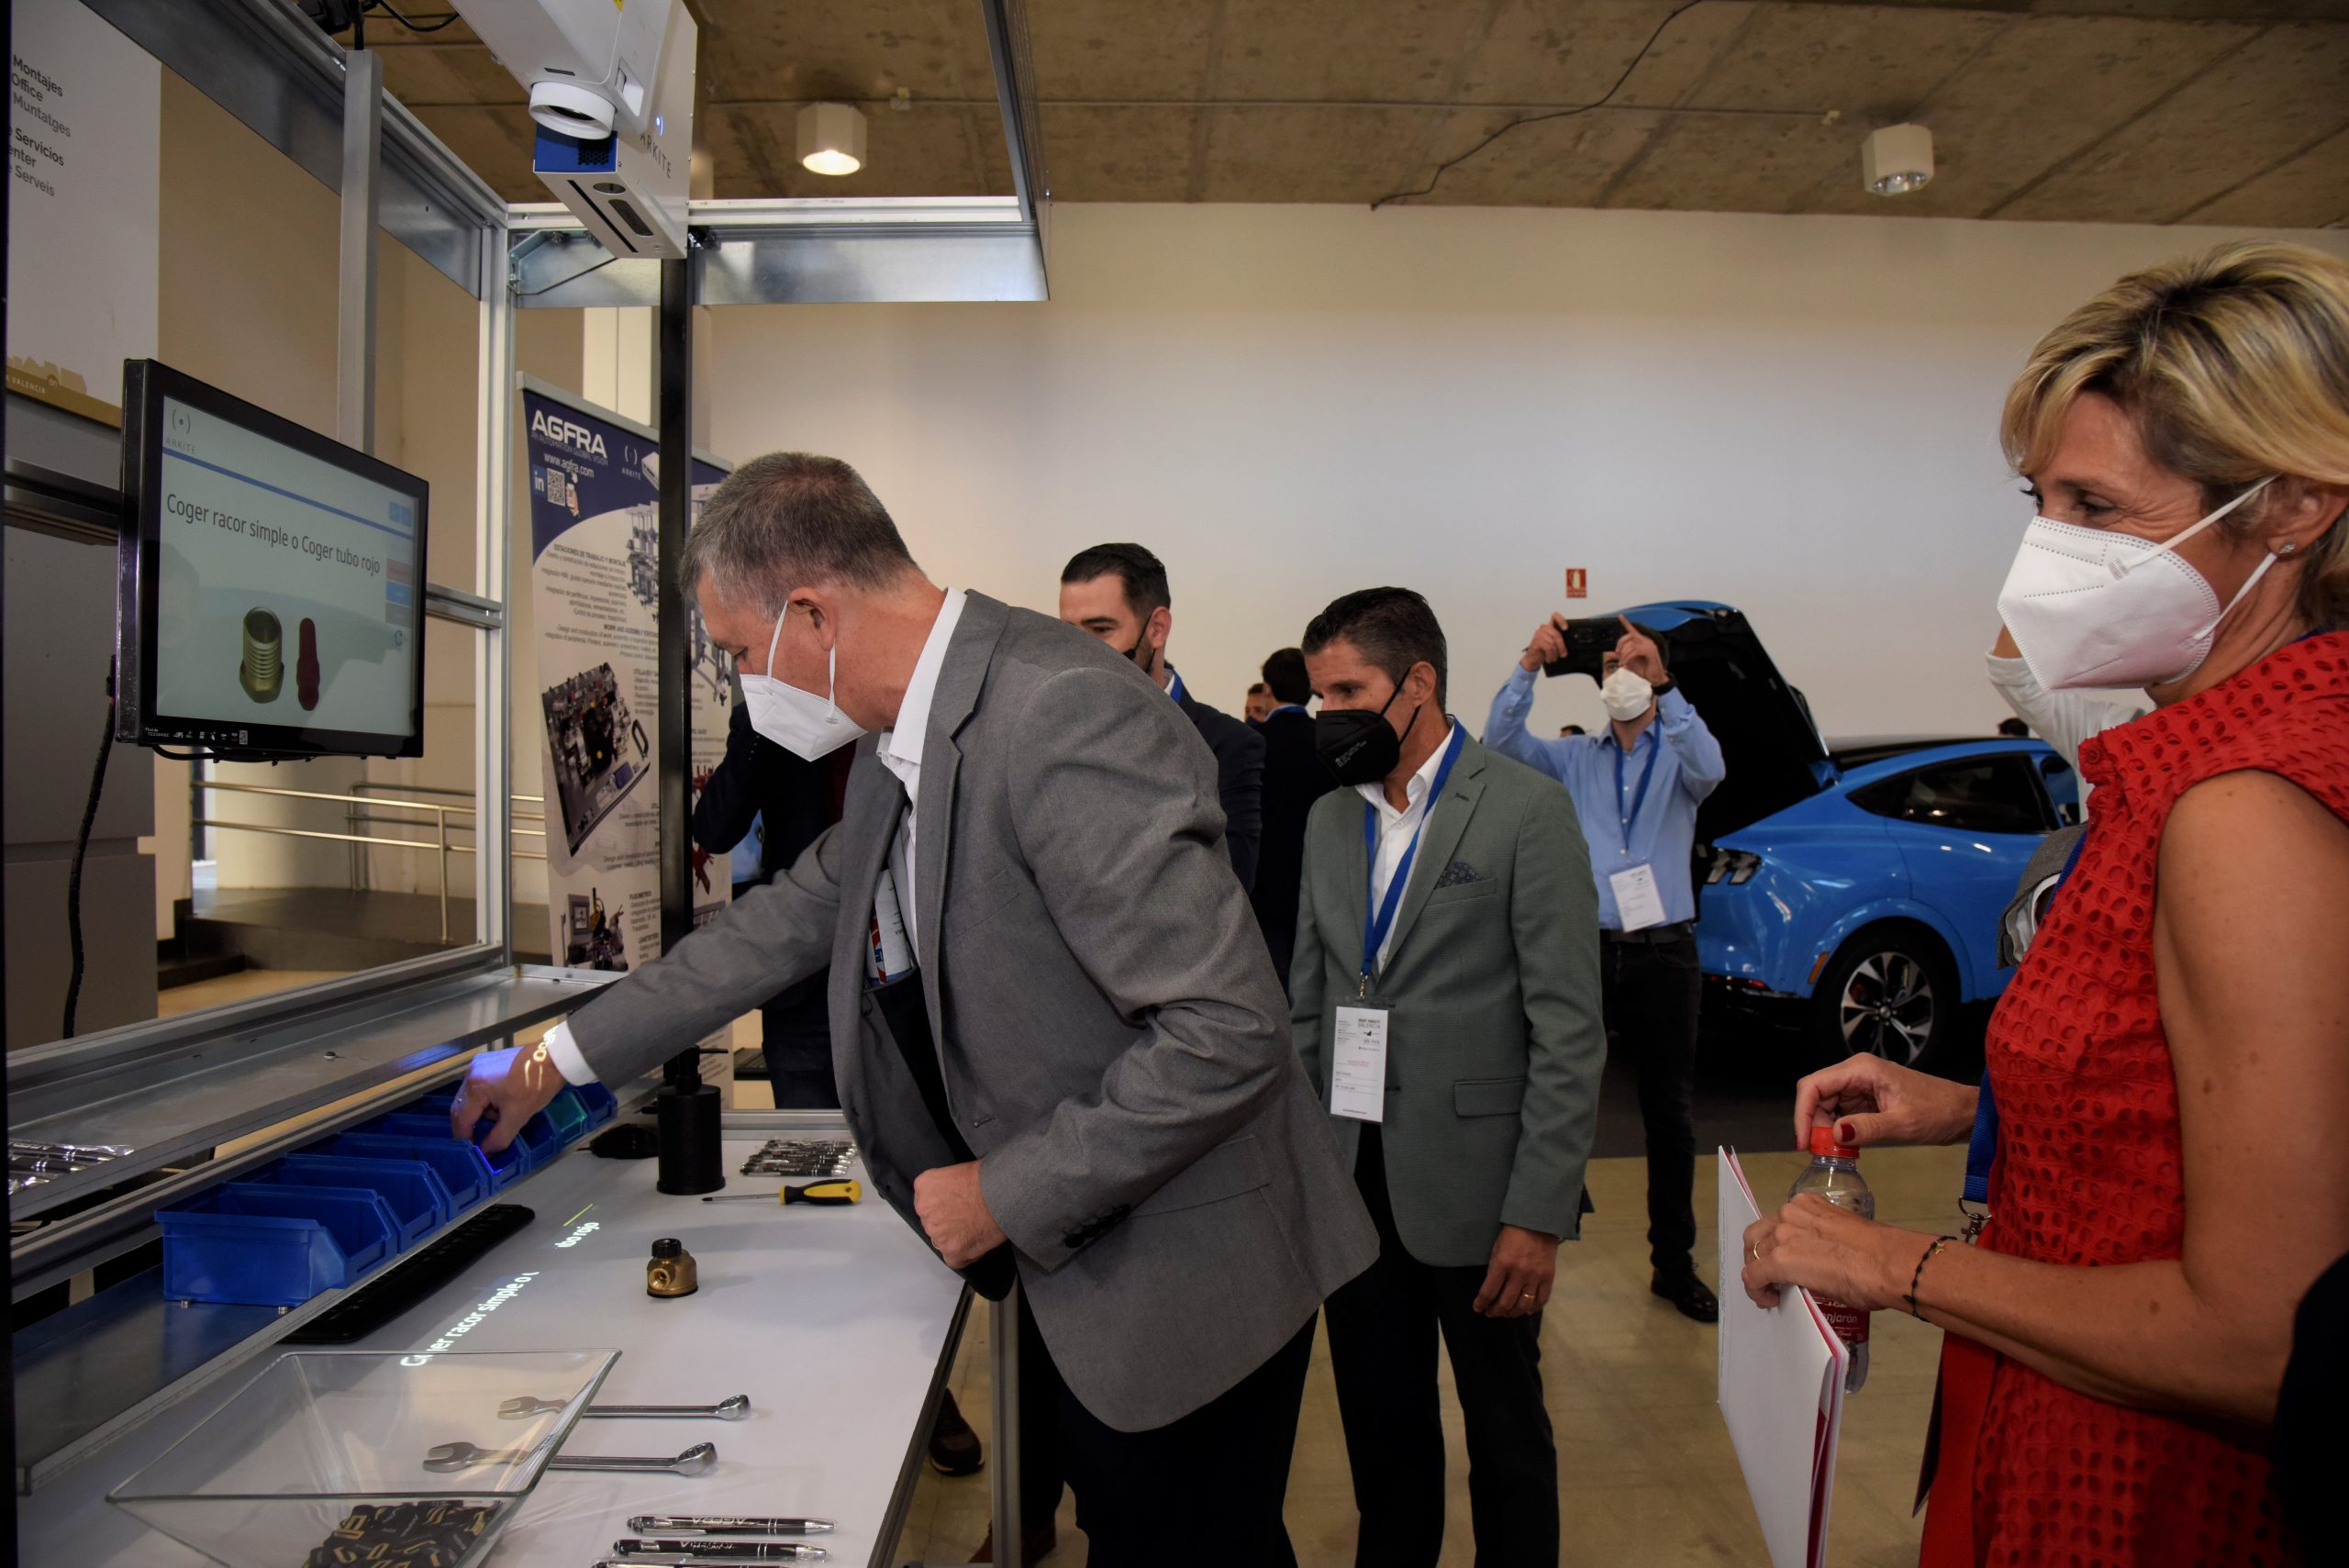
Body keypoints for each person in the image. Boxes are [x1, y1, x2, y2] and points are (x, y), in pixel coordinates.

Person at [455, 453, 1376, 1568]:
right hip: (1092, 1260)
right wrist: (554, 1056)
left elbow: (1223, 1029)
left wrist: (1004, 1190)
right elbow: (777, 924)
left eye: (740, 652)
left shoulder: (1059, 708)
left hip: (1188, 1277)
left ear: (810, 613)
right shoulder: (910, 735)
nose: (745, 681)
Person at [1741, 241, 2349, 1567]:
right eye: (2040, 499)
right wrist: (1976, 1106)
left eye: (2096, 506)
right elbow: (2218, 1123)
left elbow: (2263, 1337)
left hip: (2146, 1494)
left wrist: (1888, 1264)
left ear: (2295, 506)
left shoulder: (2244, 807)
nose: (2045, 551)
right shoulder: (2198, 761)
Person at [1292, 588, 1605, 1568]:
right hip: (1355, 1183)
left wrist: (1538, 1213)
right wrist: (1310, 1173)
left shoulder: (1523, 809)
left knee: (1506, 1436)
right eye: (1319, 696)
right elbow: (1309, 1006)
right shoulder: (1327, 821)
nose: (1328, 714)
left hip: (1481, 1193)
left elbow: (1568, 1031)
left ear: (1418, 682)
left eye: (1349, 692)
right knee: (1382, 1434)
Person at [1485, 614, 1727, 1322]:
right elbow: (1500, 742)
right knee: (1555, 1101)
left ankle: (1673, 1264)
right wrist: (1529, 662)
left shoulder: (1680, 755)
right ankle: (1532, 1245)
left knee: (1668, 1114)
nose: (1623, 674)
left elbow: (1712, 768)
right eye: (1614, 664)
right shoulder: (1576, 758)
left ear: (1658, 674)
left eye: (1636, 662)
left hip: (1664, 952)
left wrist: (1665, 683)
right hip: (1586, 948)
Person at [1058, 543, 1265, 891]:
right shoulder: (1049, 733)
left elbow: (1229, 885)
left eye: (1101, 629)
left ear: (1157, 628)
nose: (1079, 650)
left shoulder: (1227, 744)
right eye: (1068, 631)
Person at [1252, 647, 1340, 992]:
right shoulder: (1330, 744)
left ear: (1267, 689)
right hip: (1320, 883)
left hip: (1265, 887)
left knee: (1270, 986)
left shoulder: (1253, 742)